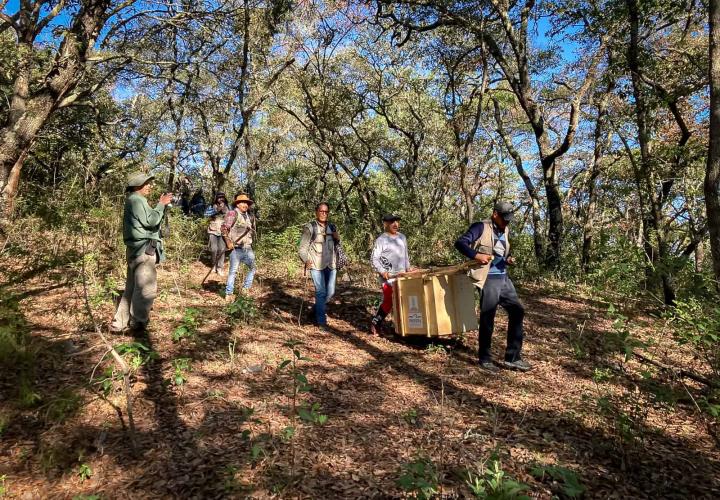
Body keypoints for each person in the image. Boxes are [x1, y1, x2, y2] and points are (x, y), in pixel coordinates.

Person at [455, 201, 530, 372]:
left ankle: (513, 357)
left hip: (503, 278)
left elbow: (502, 251)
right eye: (505, 218)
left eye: (509, 219)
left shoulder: (505, 229)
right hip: (487, 278)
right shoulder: (480, 227)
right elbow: (460, 243)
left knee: (517, 311)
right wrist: (476, 255)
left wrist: (508, 258)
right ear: (495, 214)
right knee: (488, 316)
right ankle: (485, 359)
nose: (507, 222)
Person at [110, 172, 172, 333]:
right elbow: (151, 221)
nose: (150, 186)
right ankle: (138, 323)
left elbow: (148, 220)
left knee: (131, 288)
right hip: (144, 250)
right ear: (138, 186)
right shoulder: (137, 200)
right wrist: (161, 204)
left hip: (135, 250)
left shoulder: (133, 200)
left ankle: (119, 323)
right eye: (147, 184)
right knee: (145, 288)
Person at [370, 214, 415, 336]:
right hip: (388, 277)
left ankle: (403, 329)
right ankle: (376, 322)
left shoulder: (402, 238)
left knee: (404, 301)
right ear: (385, 224)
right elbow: (374, 259)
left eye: (397, 222)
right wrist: (382, 271)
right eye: (392, 222)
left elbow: (405, 256)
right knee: (389, 301)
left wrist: (408, 268)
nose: (395, 224)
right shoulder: (381, 240)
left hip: (402, 276)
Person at [298, 202, 339, 330]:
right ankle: (321, 322)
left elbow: (336, 245)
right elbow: (302, 248)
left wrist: (337, 238)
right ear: (316, 212)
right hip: (316, 264)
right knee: (321, 292)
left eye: (326, 212)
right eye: (321, 211)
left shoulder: (332, 227)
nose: (324, 214)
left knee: (330, 292)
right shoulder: (310, 228)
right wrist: (306, 260)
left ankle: (315, 310)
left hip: (331, 264)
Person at [222, 194, 256, 302]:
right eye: (243, 202)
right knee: (233, 271)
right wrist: (228, 243)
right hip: (236, 249)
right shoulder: (232, 213)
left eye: (247, 203)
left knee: (252, 268)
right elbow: (224, 229)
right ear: (237, 203)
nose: (245, 205)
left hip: (248, 248)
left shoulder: (249, 216)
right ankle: (229, 294)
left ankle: (245, 289)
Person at [204, 192, 230, 276]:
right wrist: (216, 210)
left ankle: (220, 268)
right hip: (213, 230)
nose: (220, 199)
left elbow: (232, 217)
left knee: (222, 249)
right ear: (216, 198)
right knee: (214, 249)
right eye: (219, 197)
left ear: (224, 198)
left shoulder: (228, 207)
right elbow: (205, 214)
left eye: (222, 197)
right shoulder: (212, 206)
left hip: (223, 231)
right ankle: (213, 265)